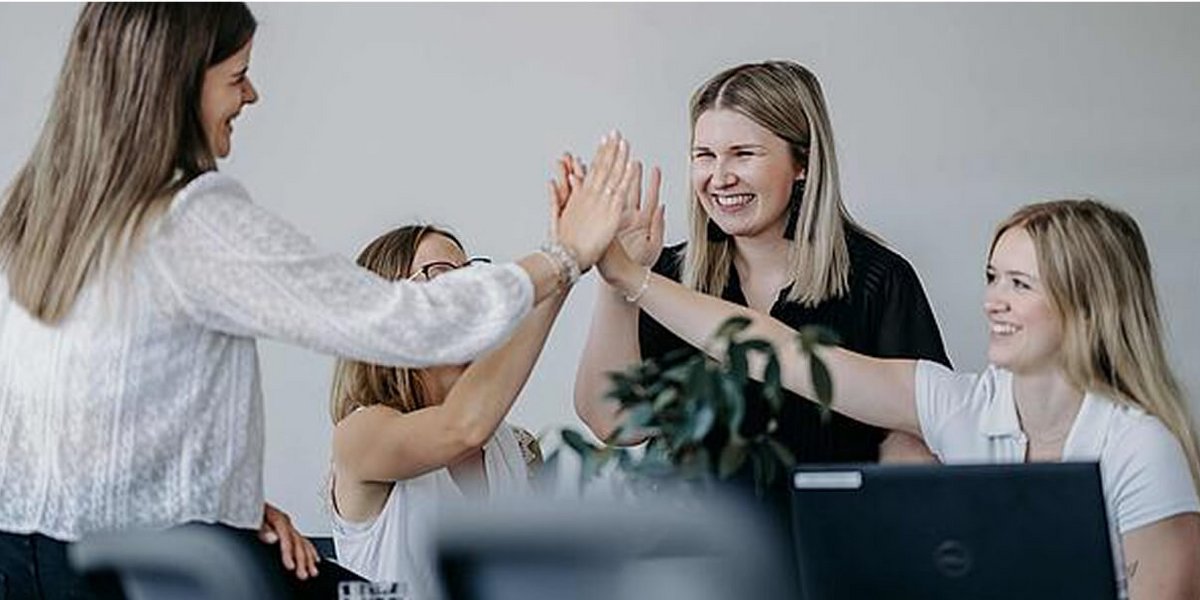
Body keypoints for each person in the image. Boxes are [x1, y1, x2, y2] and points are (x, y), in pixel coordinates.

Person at [0, 4, 632, 598]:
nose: (251, 95)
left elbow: (89, 406)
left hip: (30, 554)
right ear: (174, 86)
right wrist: (564, 255)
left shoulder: (41, 218)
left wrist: (220, 503)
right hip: (130, 563)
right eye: (237, 77)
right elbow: (407, 323)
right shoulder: (192, 222)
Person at [598, 198, 1200, 599]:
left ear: (1089, 306)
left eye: (1020, 285)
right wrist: (630, 277)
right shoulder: (961, 405)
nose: (993, 301)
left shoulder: (1140, 447)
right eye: (992, 277)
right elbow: (782, 352)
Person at [572, 60, 950, 573]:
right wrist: (617, 279)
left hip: (833, 562)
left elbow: (917, 430)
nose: (720, 177)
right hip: (697, 568)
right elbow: (614, 423)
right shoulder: (665, 277)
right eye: (704, 155)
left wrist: (877, 539)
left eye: (743, 154)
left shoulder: (877, 279)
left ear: (803, 163)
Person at [330, 224, 564, 600]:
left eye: (470, 276)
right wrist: (562, 263)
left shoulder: (518, 447)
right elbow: (461, 429)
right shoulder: (358, 435)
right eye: (441, 278)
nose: (467, 292)